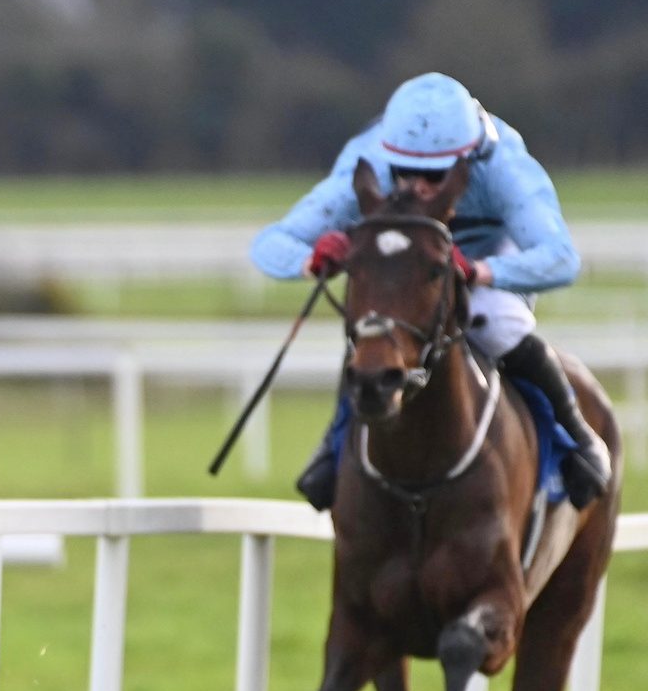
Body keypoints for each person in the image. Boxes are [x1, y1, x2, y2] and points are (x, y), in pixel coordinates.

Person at [251, 71, 611, 511]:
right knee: (373, 336)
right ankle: (334, 447)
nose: (417, 186)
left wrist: (479, 271)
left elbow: (561, 258)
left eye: (435, 175)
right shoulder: (368, 159)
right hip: (406, 266)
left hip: (486, 252)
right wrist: (312, 261)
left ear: (466, 160)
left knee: (497, 322)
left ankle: (578, 435)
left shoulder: (504, 168)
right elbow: (270, 244)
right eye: (406, 172)